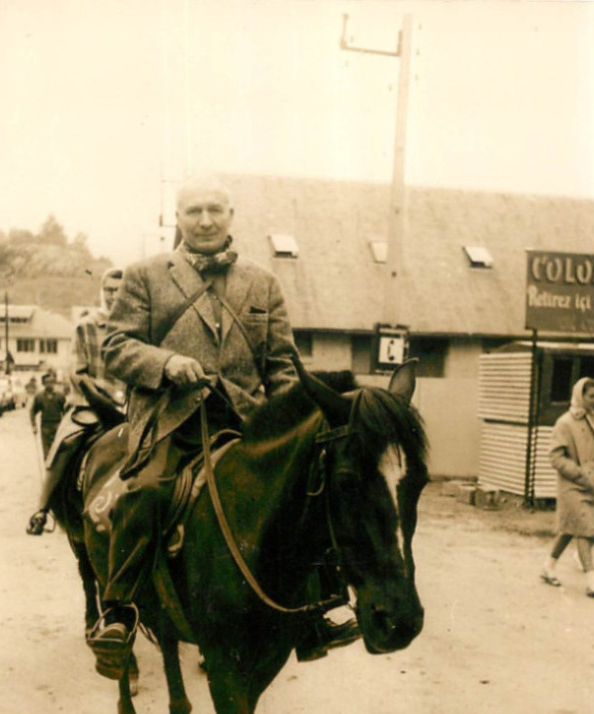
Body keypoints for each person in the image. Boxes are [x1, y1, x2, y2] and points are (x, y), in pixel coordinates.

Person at [87, 174, 359, 676]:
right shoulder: (145, 276)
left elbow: (280, 364)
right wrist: (166, 364)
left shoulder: (263, 282)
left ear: (231, 216)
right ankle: (120, 610)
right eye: (194, 211)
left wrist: (293, 423)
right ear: (179, 219)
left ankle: (320, 608)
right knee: (146, 491)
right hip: (170, 421)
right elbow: (115, 347)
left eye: (215, 210)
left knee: (308, 491)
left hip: (246, 422)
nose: (206, 220)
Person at [26, 269, 125, 535]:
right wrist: (102, 396)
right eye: (109, 290)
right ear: (102, 292)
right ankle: (42, 509)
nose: (113, 295)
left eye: (118, 289)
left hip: (131, 405)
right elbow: (77, 372)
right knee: (66, 443)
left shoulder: (136, 325)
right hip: (91, 403)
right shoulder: (86, 325)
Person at [540, 376, 594, 599]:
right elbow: (555, 457)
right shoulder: (565, 423)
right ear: (580, 395)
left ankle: (548, 567)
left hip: (592, 484)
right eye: (591, 396)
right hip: (572, 485)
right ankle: (592, 582)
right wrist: (579, 473)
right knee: (584, 529)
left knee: (569, 530)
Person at [29, 371, 66, 458]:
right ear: (43, 384)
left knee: (57, 449)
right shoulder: (39, 397)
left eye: (52, 382)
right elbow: (32, 411)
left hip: (58, 425)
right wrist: (34, 426)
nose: (50, 384)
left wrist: (65, 425)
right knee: (46, 451)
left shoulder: (60, 396)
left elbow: (65, 411)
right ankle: (47, 468)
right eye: (47, 383)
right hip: (45, 426)